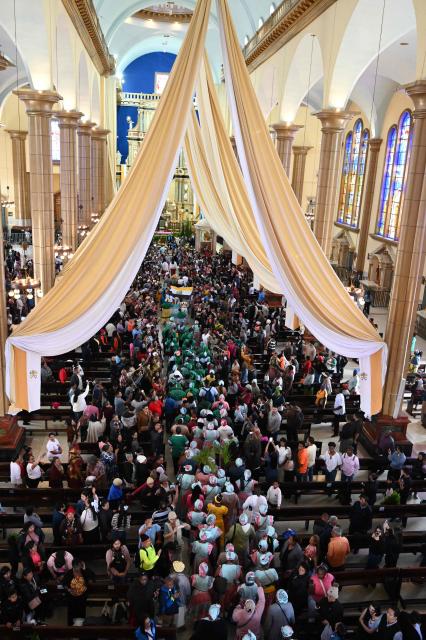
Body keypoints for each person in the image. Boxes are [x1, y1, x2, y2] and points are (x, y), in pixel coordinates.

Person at [63, 559, 95, 626]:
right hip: (72, 597)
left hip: (82, 597)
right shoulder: (69, 573)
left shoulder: (84, 572)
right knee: (72, 613)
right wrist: (69, 590)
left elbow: (92, 578)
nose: (78, 568)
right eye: (77, 567)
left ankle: (81, 627)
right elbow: (64, 584)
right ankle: (71, 626)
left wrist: (85, 569)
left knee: (81, 612)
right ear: (73, 566)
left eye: (79, 566)